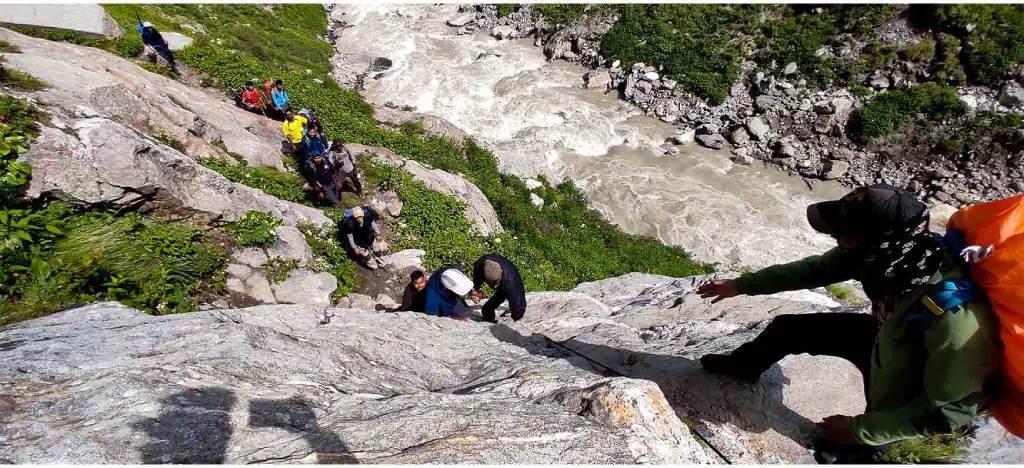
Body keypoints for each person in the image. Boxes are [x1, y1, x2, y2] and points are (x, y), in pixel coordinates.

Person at [695, 184, 1001, 463]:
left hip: (915, 373)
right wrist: (742, 285)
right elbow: (813, 271)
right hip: (884, 336)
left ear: (880, 241)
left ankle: (862, 451)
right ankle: (745, 366)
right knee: (786, 329)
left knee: (870, 427)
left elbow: (950, 412)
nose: (835, 239)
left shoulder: (956, 323)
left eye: (845, 235)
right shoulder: (883, 256)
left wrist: (859, 430)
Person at [470, 253, 526, 323]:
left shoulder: (512, 285)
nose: (494, 286)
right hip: (503, 279)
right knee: (486, 309)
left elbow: (519, 307)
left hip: (509, 282)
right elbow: (477, 277)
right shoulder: (481, 263)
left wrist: (515, 324)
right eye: (491, 283)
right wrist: (475, 290)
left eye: (495, 283)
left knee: (513, 303)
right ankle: (488, 321)